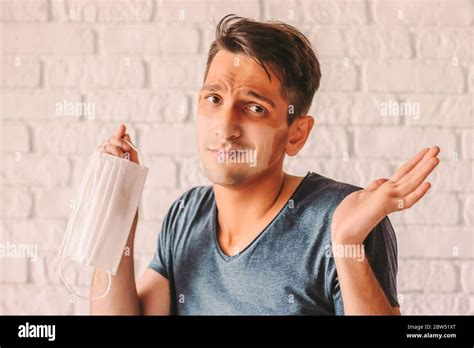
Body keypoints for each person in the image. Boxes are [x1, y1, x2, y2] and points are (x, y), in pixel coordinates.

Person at [90, 15, 440, 315]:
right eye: (214, 99)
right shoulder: (186, 215)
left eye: (255, 107)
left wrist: (347, 244)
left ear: (296, 134)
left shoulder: (345, 218)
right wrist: (115, 223)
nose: (225, 128)